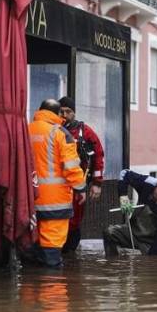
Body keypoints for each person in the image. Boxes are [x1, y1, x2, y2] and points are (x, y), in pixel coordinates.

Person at [25, 99, 87, 267]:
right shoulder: (60, 133)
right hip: (54, 202)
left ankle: (29, 289)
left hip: (28, 199)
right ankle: (52, 289)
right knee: (52, 251)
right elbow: (71, 167)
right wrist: (81, 188)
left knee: (31, 248)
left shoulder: (25, 130)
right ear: (57, 113)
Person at [58, 97, 105, 253]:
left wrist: (97, 183)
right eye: (61, 111)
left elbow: (98, 155)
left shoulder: (84, 132)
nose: (64, 115)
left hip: (78, 186)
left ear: (74, 113)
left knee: (74, 221)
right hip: (55, 186)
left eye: (68, 111)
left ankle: (70, 256)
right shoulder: (52, 130)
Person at [103, 169, 157, 256]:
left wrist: (148, 260)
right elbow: (124, 173)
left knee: (156, 258)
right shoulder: (147, 183)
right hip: (132, 232)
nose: (156, 203)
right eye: (154, 199)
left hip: (149, 242)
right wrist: (123, 196)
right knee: (109, 232)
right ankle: (114, 262)